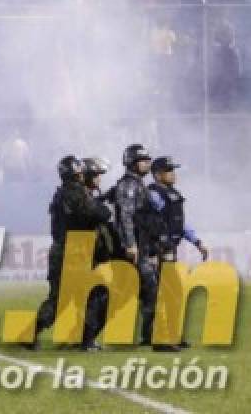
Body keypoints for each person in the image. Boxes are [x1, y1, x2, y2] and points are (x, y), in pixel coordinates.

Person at [31, 155, 113, 350]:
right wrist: (103, 204)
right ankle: (85, 339)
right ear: (78, 173)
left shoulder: (66, 193)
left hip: (71, 251)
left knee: (66, 299)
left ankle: (81, 338)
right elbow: (99, 213)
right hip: (74, 253)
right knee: (95, 295)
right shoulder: (74, 192)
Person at [146, 156, 210, 351]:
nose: (173, 174)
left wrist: (196, 241)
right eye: (169, 170)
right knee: (163, 295)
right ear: (158, 174)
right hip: (156, 250)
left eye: (173, 170)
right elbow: (148, 224)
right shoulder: (153, 195)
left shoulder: (172, 194)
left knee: (173, 293)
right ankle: (161, 339)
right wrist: (151, 251)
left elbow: (179, 224)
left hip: (168, 249)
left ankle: (170, 336)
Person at [109, 143, 160, 349]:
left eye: (148, 160)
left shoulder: (138, 184)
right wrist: (131, 244)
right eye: (143, 160)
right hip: (133, 248)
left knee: (144, 291)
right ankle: (88, 333)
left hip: (142, 246)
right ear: (132, 162)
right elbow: (126, 216)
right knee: (143, 290)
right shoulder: (129, 185)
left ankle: (148, 336)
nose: (147, 163)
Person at [80, 156, 116, 351]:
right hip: (85, 255)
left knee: (98, 295)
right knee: (99, 295)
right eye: (96, 175)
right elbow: (102, 216)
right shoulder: (83, 198)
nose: (99, 179)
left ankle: (87, 339)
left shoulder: (88, 197)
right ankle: (86, 340)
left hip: (93, 254)